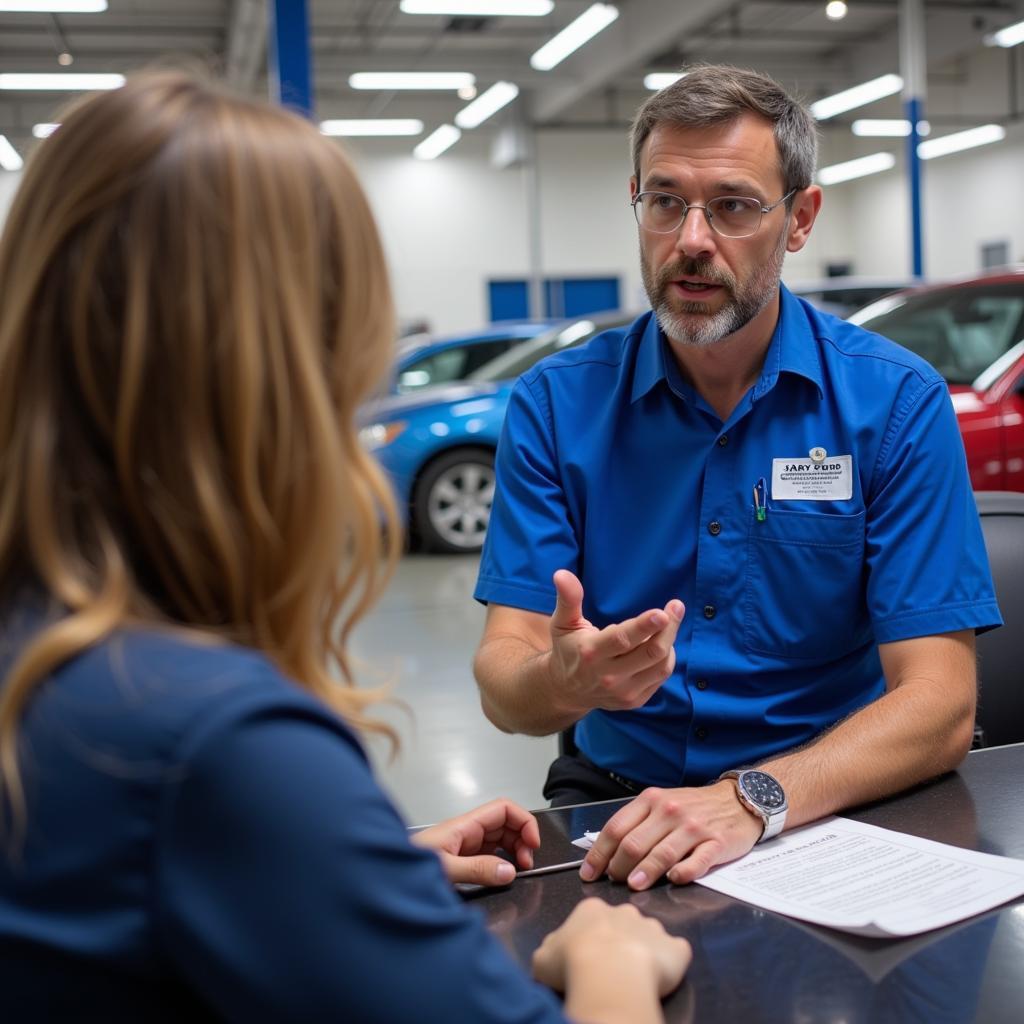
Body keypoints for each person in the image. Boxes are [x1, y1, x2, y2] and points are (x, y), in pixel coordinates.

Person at [0, 72, 692, 1022]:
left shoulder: (49, 650)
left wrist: (343, 867)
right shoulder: (216, 740)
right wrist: (612, 959)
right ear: (282, 375)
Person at [473, 65, 1001, 893]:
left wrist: (754, 799)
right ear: (637, 202)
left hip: (836, 802)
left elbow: (940, 704)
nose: (690, 239)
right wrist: (561, 682)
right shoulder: (554, 405)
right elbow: (506, 684)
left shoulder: (894, 403)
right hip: (621, 802)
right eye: (664, 200)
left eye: (733, 205)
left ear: (800, 219)